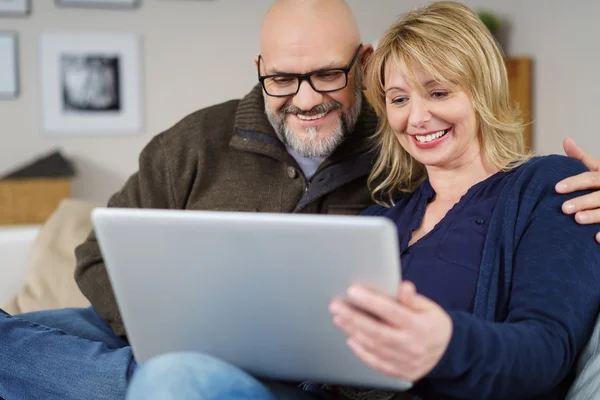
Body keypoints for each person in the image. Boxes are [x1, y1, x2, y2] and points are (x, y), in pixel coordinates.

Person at [0, 1, 599, 400]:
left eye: (438, 91)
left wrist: (442, 343)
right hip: (216, 349)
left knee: (177, 377)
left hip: (290, 378)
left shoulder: (539, 186)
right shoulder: (386, 219)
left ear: (358, 68)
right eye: (399, 99)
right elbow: (99, 251)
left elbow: (543, 343)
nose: (417, 116)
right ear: (261, 70)